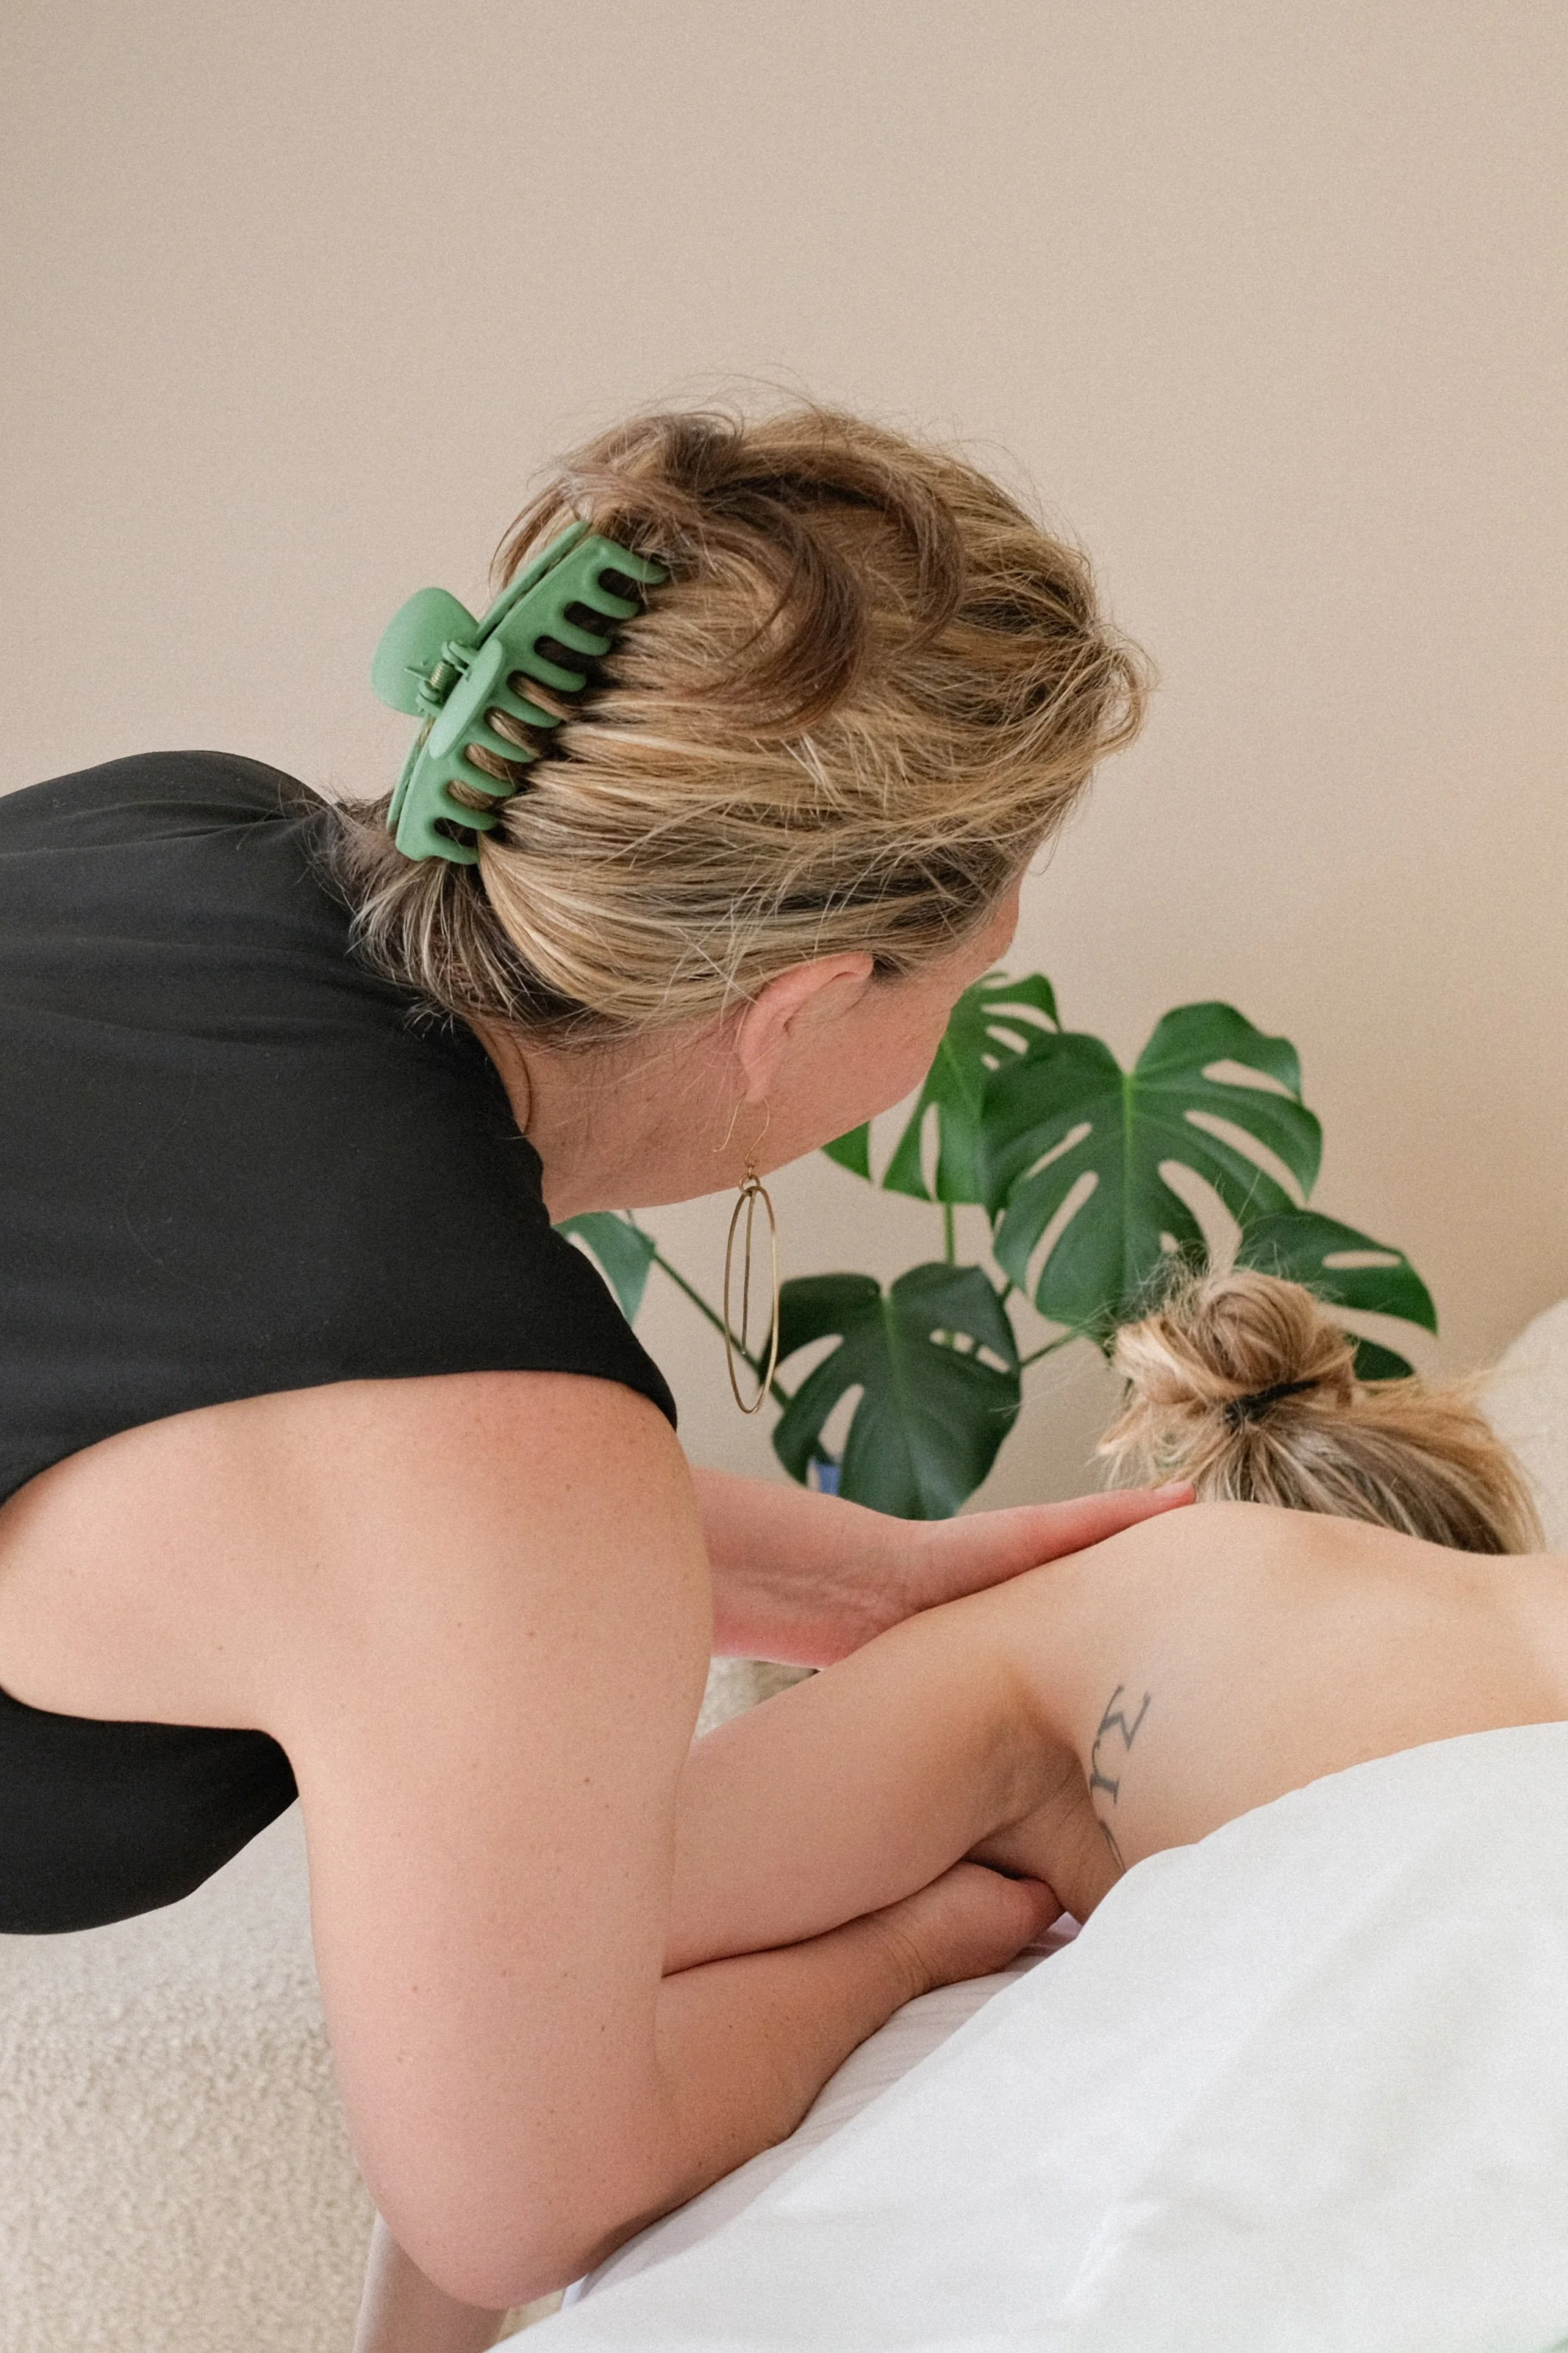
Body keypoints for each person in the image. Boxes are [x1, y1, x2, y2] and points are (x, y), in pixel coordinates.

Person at [0, 403, 1179, 2348]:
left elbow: (213, 1423)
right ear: (799, 1008)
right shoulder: (480, 1452)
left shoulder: (180, 833)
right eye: (965, 979)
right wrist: (934, 1931)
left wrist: (843, 1581)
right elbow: (511, 2194)